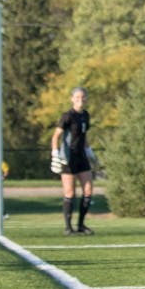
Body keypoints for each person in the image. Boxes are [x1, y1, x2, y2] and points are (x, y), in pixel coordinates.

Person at [51, 87, 96, 236]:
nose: (80, 99)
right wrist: (55, 153)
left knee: (88, 190)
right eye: (77, 97)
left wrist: (90, 152)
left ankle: (81, 225)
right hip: (68, 157)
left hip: (81, 156)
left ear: (86, 98)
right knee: (70, 192)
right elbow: (56, 136)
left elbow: (84, 137)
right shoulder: (67, 116)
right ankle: (68, 227)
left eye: (83, 97)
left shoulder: (86, 116)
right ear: (72, 99)